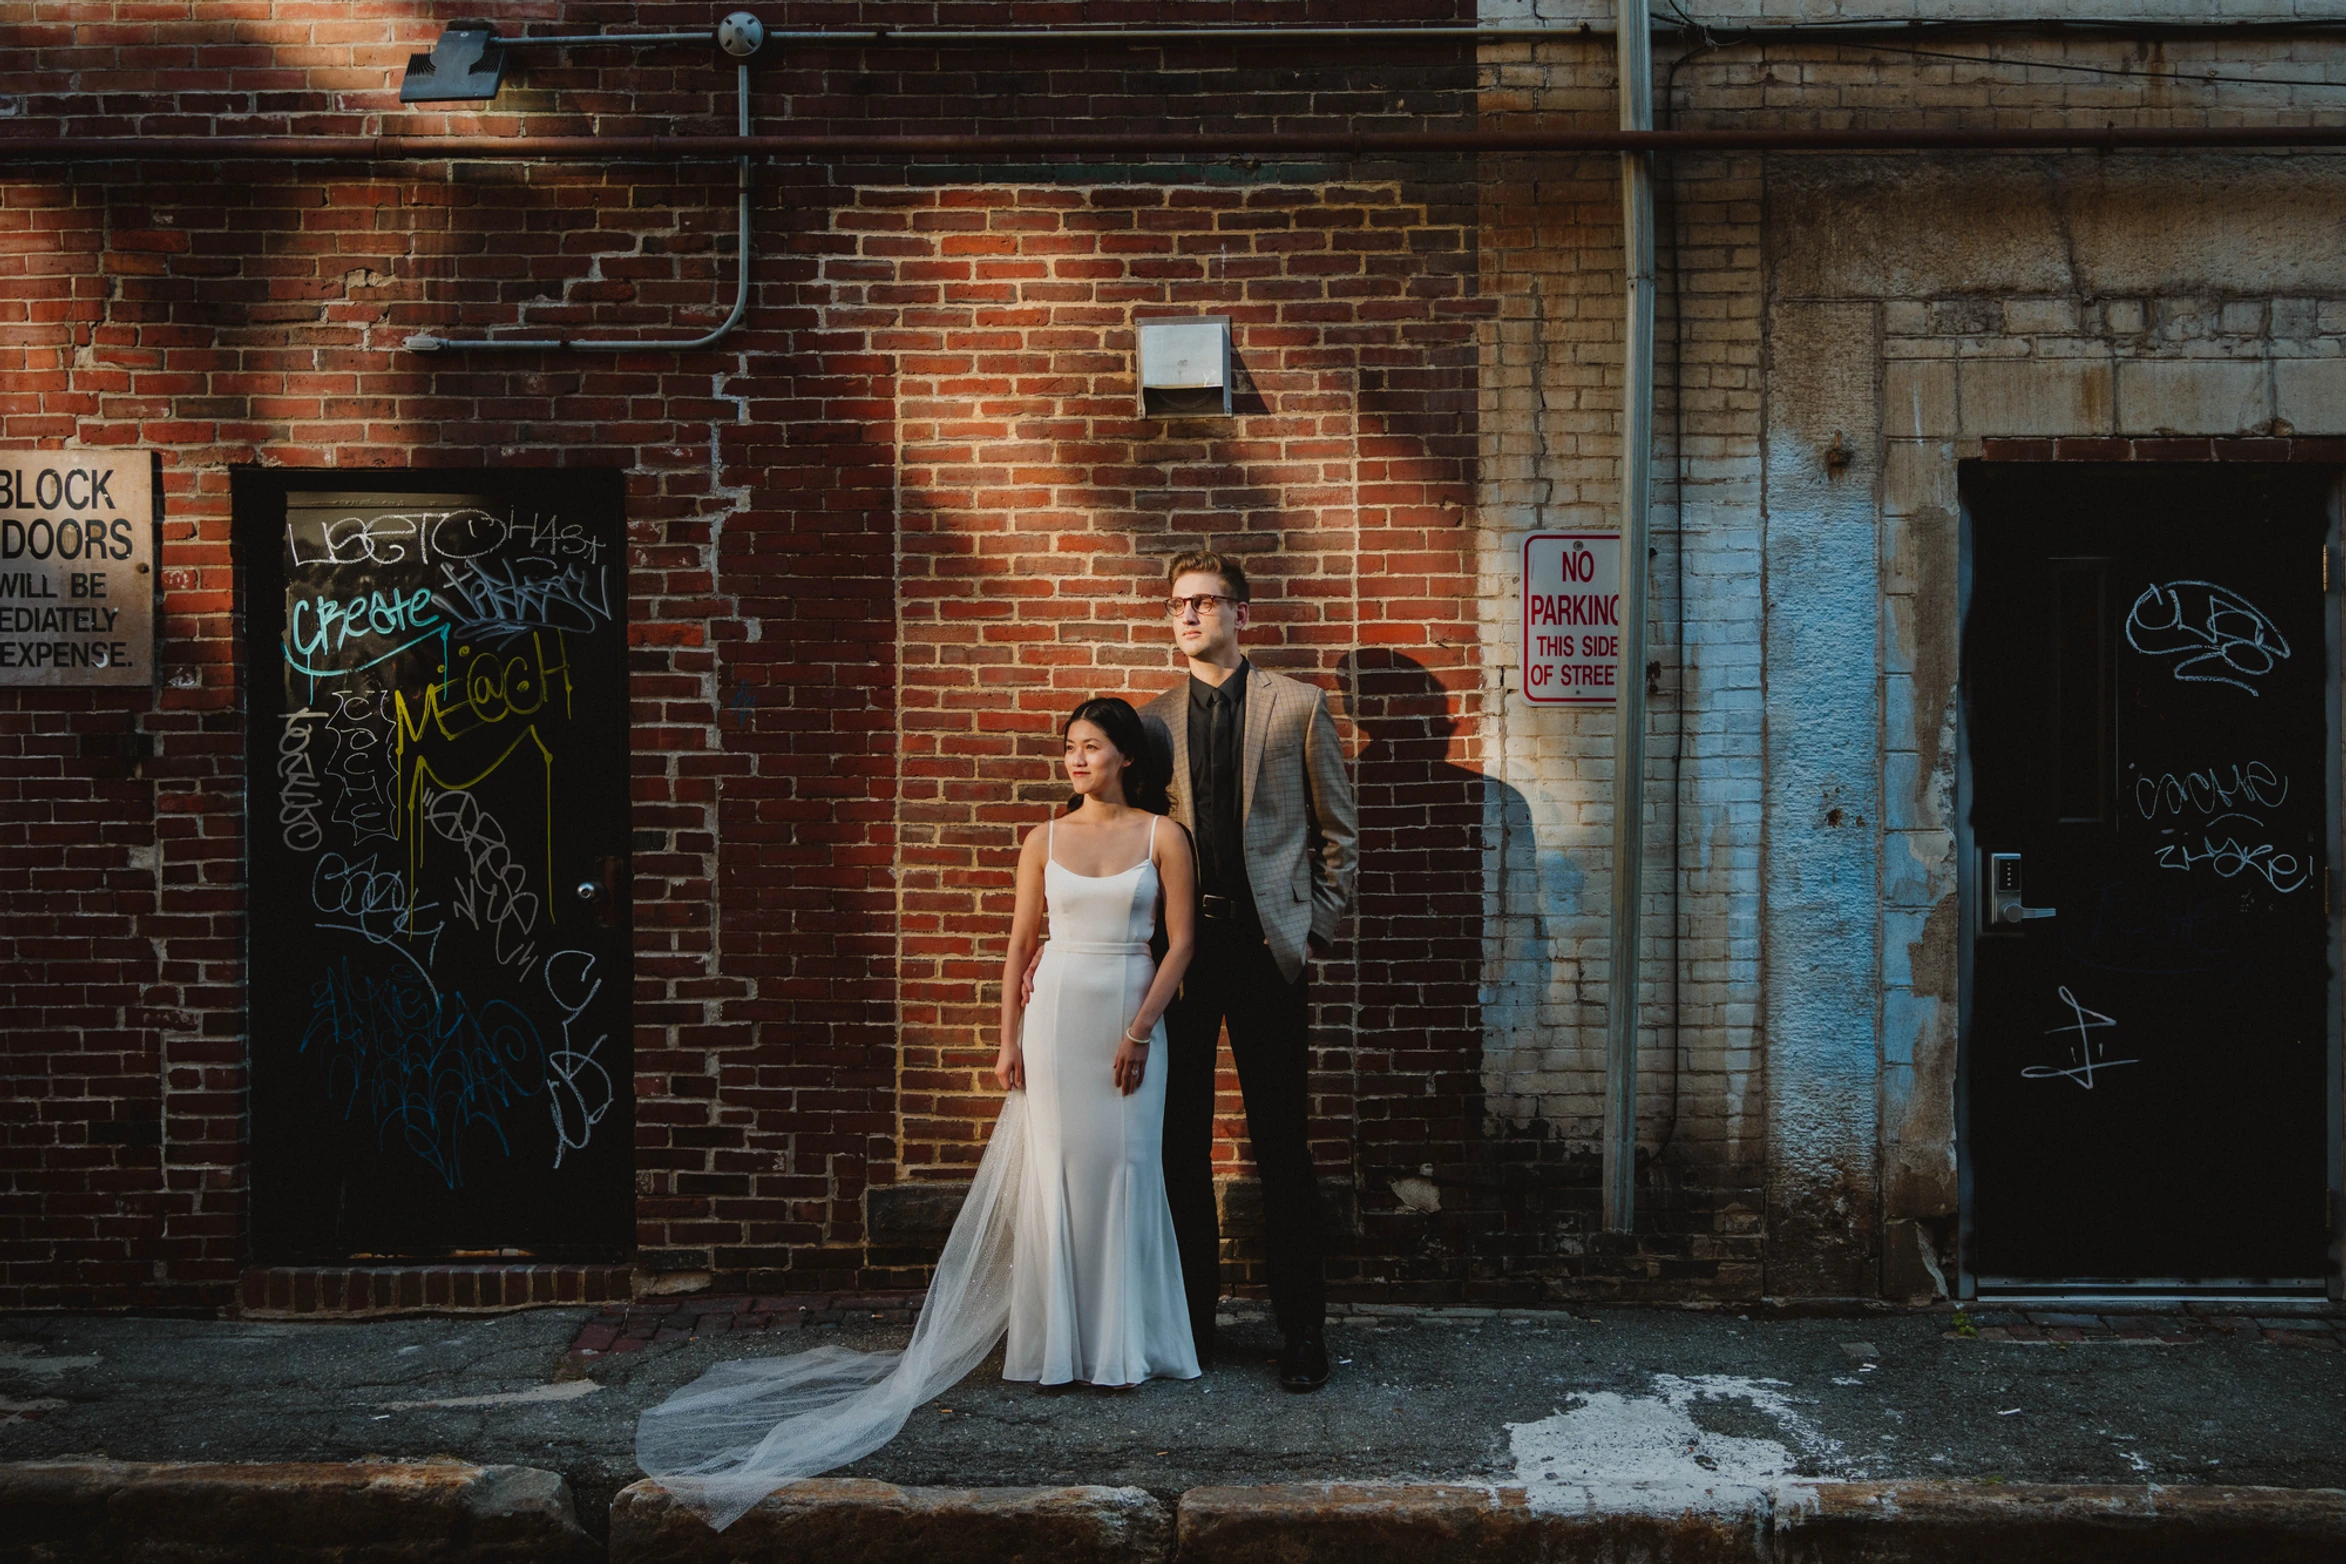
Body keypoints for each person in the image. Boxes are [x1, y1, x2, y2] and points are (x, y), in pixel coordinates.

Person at [634, 697, 1199, 1531]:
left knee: (1126, 1172)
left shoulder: (1164, 837)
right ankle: (1055, 1349)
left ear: (1125, 755)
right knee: (1056, 1177)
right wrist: (1006, 1039)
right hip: (1053, 1022)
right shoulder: (1042, 838)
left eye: (1091, 747)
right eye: (1069, 748)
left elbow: (1181, 942)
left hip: (1128, 1015)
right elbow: (1018, 942)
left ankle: (1126, 1349)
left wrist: (1141, 1030)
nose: (1075, 761)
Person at [1142, 549, 1359, 1392]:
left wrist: (1312, 933)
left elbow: (1337, 833)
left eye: (1205, 602)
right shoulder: (1152, 719)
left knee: (1283, 1148)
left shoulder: (1298, 707)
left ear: (1242, 613)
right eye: (1178, 606)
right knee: (1178, 1147)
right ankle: (1191, 1328)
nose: (1190, 616)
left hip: (1270, 955)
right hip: (1185, 960)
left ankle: (1303, 1332)